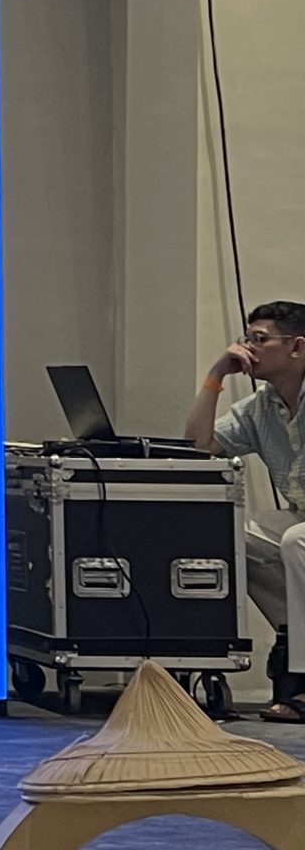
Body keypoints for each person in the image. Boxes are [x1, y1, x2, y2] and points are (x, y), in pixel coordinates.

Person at [186, 300, 305, 723]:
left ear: (297, 348)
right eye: (247, 338)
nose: (248, 348)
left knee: (296, 540)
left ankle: (302, 678)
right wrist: (216, 374)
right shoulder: (262, 406)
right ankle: (293, 635)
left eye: (260, 339)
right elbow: (199, 447)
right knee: (233, 536)